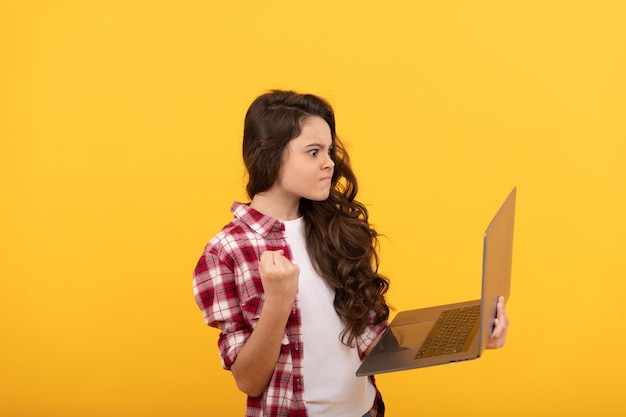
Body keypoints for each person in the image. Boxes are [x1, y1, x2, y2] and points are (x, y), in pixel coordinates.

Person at [193, 90, 509, 417]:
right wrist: (278, 300)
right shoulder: (228, 250)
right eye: (313, 152)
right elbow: (249, 381)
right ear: (268, 156)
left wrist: (470, 337)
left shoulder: (337, 231)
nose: (329, 163)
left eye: (328, 150)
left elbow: (372, 341)